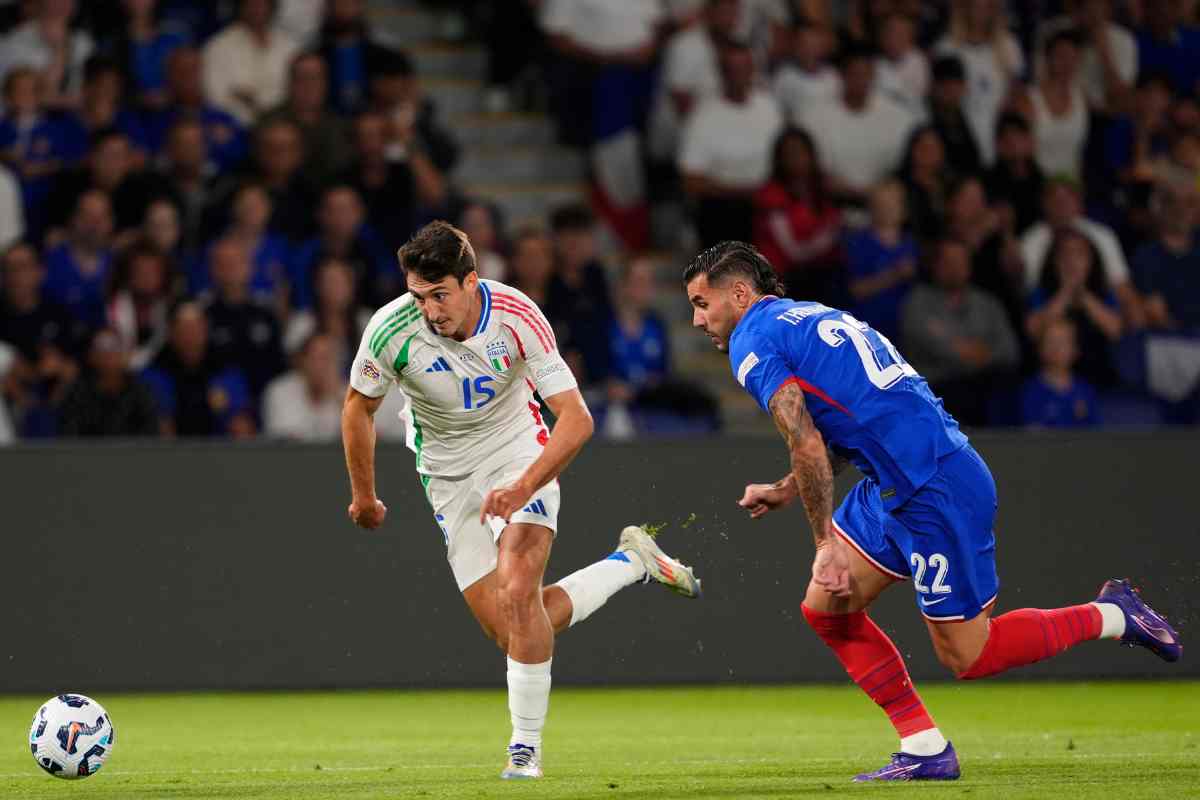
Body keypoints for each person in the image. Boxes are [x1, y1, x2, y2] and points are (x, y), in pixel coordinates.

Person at [681, 240, 1181, 782]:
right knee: (828, 609)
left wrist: (824, 543)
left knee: (968, 655)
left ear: (738, 293)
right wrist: (786, 489)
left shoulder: (752, 339)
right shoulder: (805, 317)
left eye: (702, 303)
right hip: (897, 481)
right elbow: (856, 421)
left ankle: (1113, 615)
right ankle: (924, 747)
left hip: (933, 489)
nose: (696, 319)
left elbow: (804, 439)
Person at [342, 221, 701, 780]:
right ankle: (631, 563)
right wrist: (364, 496)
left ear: (471, 281)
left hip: (517, 453)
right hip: (447, 477)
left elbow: (577, 420)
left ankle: (524, 750)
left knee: (518, 586)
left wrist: (524, 484)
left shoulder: (518, 316)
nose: (431, 310)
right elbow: (358, 408)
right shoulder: (391, 329)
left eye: (441, 295)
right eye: (419, 295)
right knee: (515, 628)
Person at [900, 237, 1020, 424]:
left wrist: (973, 353)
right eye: (948, 262)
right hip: (938, 386)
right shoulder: (918, 302)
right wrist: (974, 352)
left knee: (1005, 386)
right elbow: (929, 346)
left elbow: (1009, 349)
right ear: (935, 265)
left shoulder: (987, 303)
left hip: (984, 384)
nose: (955, 268)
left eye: (961, 261)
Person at [680, 39, 783, 247]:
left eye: (744, 68)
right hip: (722, 208)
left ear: (753, 70)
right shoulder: (703, 115)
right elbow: (690, 180)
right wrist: (741, 193)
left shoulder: (769, 108)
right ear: (722, 72)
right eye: (732, 69)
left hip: (767, 205)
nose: (739, 76)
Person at [752, 127, 842, 302]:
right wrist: (825, 240)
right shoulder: (770, 195)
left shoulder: (823, 188)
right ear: (779, 159)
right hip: (783, 277)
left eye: (801, 152)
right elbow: (792, 251)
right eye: (789, 153)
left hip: (822, 270)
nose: (796, 159)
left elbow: (834, 225)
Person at [202, 0, 300, 124]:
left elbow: (296, 92)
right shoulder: (217, 47)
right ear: (241, 6)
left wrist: (250, 99)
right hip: (236, 126)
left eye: (262, 3)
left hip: (283, 127)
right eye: (251, 3)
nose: (257, 8)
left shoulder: (289, 47)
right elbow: (214, 97)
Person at [845, 180, 917, 343]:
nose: (887, 210)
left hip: (905, 327)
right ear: (871, 208)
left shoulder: (910, 243)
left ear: (904, 209)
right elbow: (856, 290)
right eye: (881, 205)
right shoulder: (859, 243)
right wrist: (894, 275)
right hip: (869, 326)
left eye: (893, 204)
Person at [58, 327, 160, 437]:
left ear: (125, 354)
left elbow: (151, 436)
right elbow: (69, 437)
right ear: (91, 356)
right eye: (102, 349)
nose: (108, 356)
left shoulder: (141, 392)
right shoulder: (77, 394)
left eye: (114, 348)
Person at [1019, 318, 1100, 428]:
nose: (1056, 348)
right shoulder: (1030, 391)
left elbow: (1095, 431)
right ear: (1040, 349)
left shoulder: (1085, 391)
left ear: (1075, 350)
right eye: (1051, 342)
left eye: (1063, 342)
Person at [262, 331, 341, 440]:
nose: (322, 366)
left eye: (328, 358)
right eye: (316, 358)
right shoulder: (279, 392)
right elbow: (282, 443)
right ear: (303, 361)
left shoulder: (347, 396)